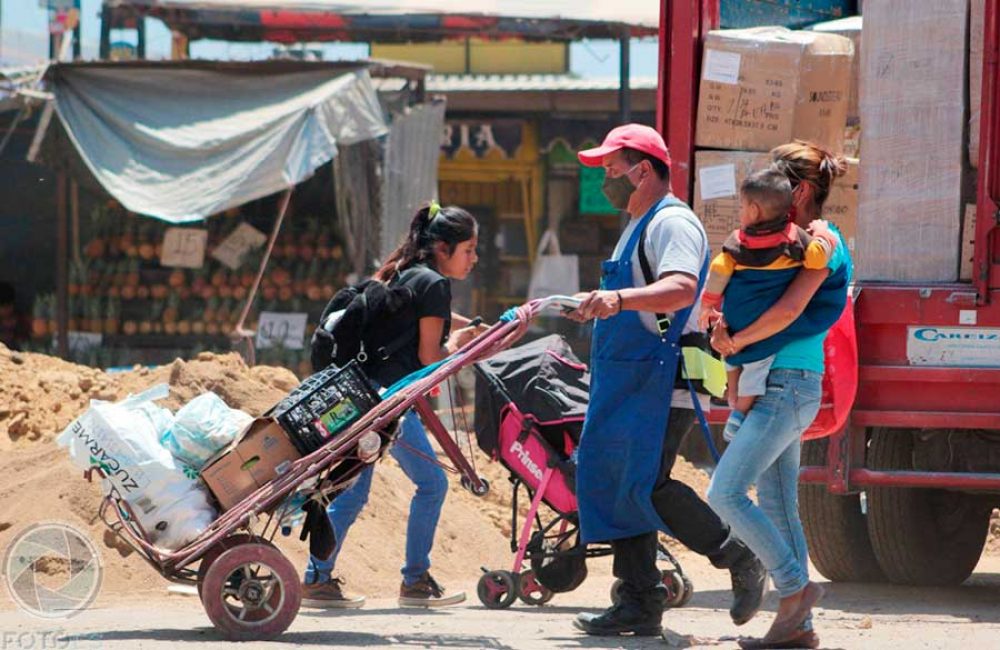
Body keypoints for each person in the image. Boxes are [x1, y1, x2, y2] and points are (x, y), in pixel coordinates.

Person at [566, 124, 767, 637]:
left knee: (646, 486)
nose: (606, 178)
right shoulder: (636, 222)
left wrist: (618, 299)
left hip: (659, 378)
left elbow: (679, 288)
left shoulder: (672, 223)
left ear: (643, 169)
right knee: (618, 483)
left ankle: (738, 555)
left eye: (612, 168)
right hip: (628, 378)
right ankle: (638, 601)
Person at [302, 202, 488, 609]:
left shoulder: (403, 270)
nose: (474, 258)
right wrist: (459, 347)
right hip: (387, 403)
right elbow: (428, 357)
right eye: (469, 249)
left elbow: (420, 310)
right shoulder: (436, 284)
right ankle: (415, 581)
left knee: (351, 492)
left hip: (360, 395)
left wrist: (461, 324)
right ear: (443, 247)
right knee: (432, 483)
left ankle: (317, 578)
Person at [706, 140, 853, 650]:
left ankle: (794, 588)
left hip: (787, 385)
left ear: (803, 190)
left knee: (724, 493)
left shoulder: (822, 240)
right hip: (771, 382)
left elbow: (790, 311)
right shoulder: (770, 240)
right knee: (778, 501)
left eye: (779, 182)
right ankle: (798, 629)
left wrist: (735, 340)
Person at [699, 167, 837, 441]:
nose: (739, 212)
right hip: (761, 331)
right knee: (756, 370)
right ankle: (740, 412)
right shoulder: (796, 239)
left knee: (734, 364)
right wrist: (825, 236)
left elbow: (719, 267)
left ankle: (733, 404)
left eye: (740, 206)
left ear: (753, 210)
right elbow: (817, 259)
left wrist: (708, 305)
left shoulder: (738, 241)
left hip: (734, 324)